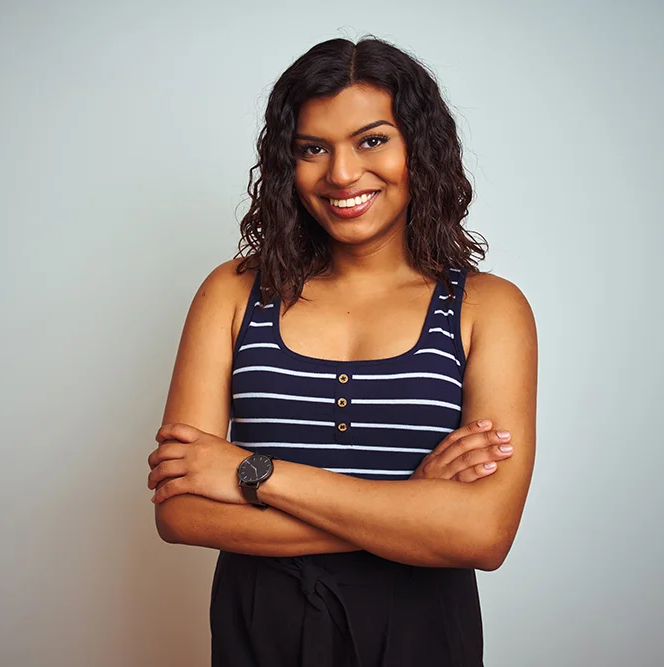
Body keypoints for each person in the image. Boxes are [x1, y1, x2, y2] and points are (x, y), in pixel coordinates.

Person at [146, 36, 537, 667]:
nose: (342, 174)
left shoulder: (489, 308)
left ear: (420, 147)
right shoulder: (233, 293)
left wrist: (257, 473)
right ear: (286, 162)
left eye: (372, 140)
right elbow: (182, 512)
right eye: (312, 149)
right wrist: (411, 510)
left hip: (422, 631)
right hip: (260, 628)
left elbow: (483, 535)